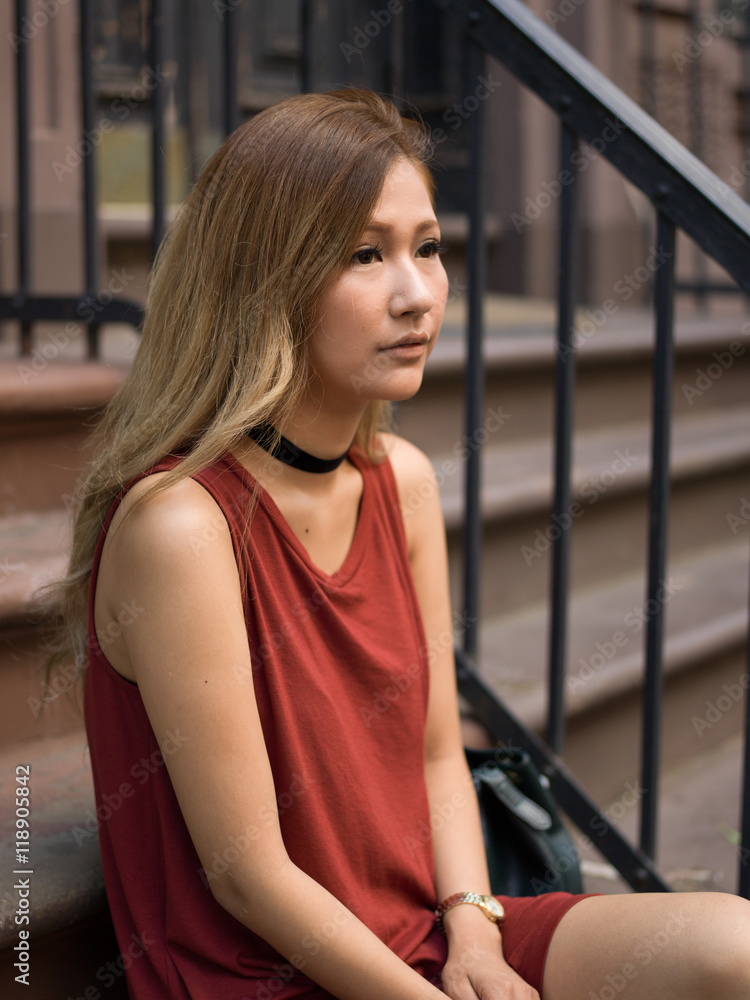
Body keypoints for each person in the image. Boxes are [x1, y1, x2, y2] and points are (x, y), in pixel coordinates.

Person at [50, 89, 750, 1000]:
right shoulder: (183, 525)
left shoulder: (400, 482)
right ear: (264, 279)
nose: (417, 294)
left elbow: (433, 755)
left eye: (427, 247)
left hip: (425, 930)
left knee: (732, 944)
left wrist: (475, 934)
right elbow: (247, 873)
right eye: (363, 255)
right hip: (274, 972)